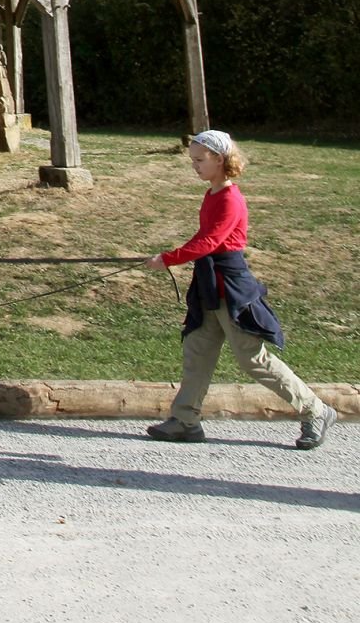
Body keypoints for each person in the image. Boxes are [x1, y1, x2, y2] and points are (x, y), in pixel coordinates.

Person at [144, 128, 336, 449]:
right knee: (198, 350)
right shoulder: (212, 195)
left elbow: (209, 242)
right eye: (192, 160)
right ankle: (185, 420)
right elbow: (203, 239)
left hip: (231, 288)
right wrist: (171, 257)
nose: (195, 165)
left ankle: (315, 411)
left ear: (219, 159)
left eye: (200, 160)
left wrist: (168, 259)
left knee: (252, 359)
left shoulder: (231, 199)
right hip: (209, 286)